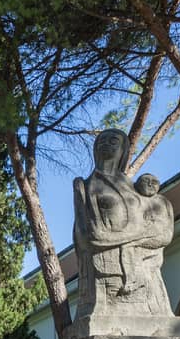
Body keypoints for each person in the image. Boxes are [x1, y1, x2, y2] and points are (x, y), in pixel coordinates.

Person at [72, 130, 174, 318]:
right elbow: (90, 235)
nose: (106, 144)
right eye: (101, 141)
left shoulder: (136, 188)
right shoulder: (85, 186)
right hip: (105, 266)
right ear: (95, 149)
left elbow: (163, 233)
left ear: (123, 150)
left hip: (143, 268)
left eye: (113, 141)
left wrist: (130, 239)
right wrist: (140, 235)